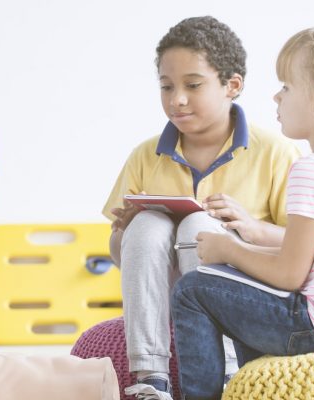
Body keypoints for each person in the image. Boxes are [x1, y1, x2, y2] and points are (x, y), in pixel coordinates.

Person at [170, 27, 314, 399]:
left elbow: (290, 274)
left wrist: (228, 251)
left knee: (194, 289)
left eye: (286, 87)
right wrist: (255, 235)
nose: (276, 95)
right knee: (242, 286)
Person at [102, 16, 301, 399]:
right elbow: (120, 256)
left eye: (193, 85)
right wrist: (124, 233)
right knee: (145, 226)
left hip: (243, 297)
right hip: (167, 295)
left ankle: (226, 372)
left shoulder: (276, 152)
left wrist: (246, 226)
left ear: (232, 86)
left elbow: (300, 245)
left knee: (199, 226)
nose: (177, 99)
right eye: (166, 86)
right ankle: (150, 378)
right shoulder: (145, 155)